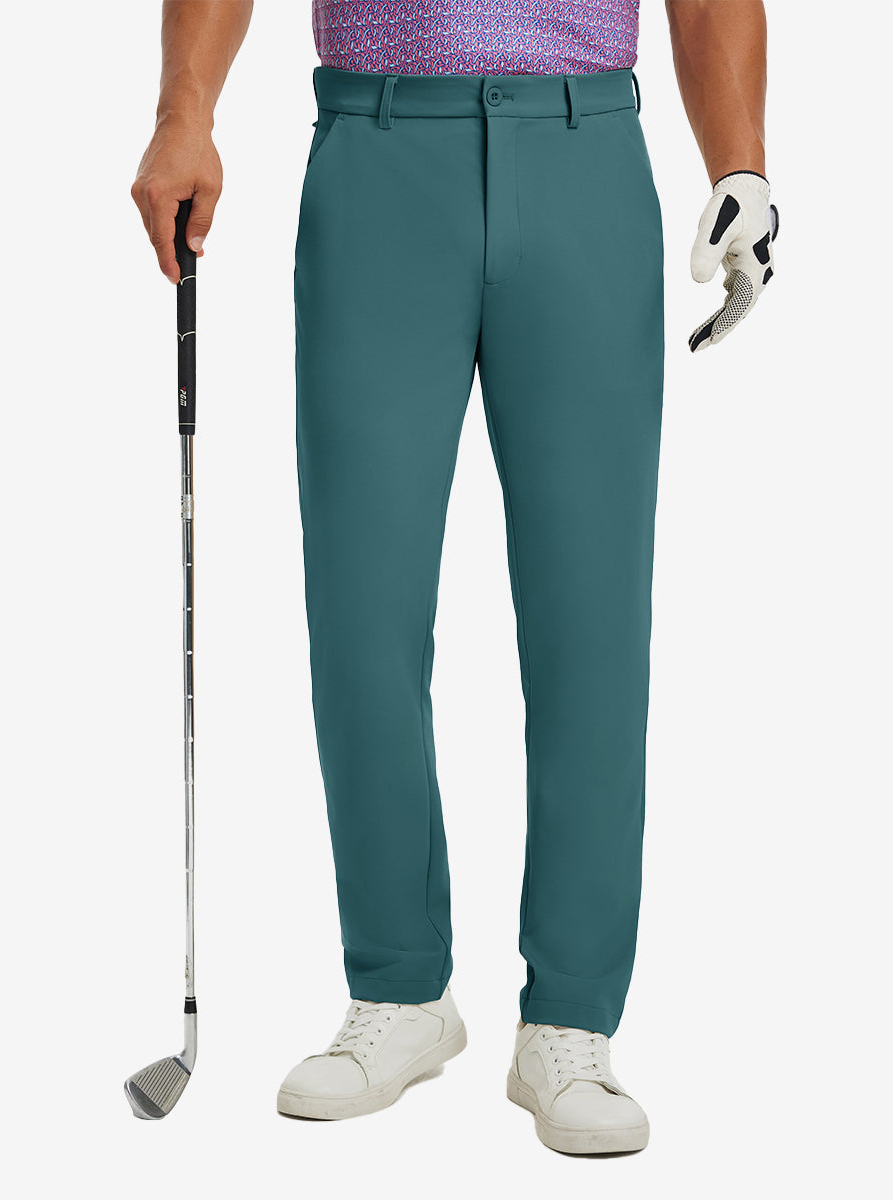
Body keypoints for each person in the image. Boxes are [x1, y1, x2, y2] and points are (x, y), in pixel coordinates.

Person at [132, 0, 778, 1155]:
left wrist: (742, 165)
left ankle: (570, 1021)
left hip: (585, 156)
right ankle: (400, 991)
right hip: (376, 162)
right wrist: (186, 112)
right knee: (360, 606)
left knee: (591, 621)